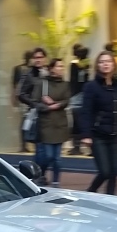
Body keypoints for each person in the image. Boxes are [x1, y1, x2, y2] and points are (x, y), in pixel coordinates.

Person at [79, 50, 117, 194]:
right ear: (97, 65)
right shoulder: (91, 87)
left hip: (115, 136)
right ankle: (90, 192)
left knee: (114, 173)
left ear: (113, 65)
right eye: (102, 62)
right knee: (105, 172)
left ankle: (111, 200)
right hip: (99, 136)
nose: (105, 64)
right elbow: (86, 112)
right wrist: (86, 135)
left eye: (108, 61)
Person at [33, 58, 71, 187]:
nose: (61, 68)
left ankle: (56, 181)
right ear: (52, 68)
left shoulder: (65, 84)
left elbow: (67, 100)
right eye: (59, 66)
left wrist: (54, 104)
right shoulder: (42, 84)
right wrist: (47, 107)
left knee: (57, 158)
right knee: (48, 155)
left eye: (62, 66)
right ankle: (42, 174)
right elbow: (35, 102)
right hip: (46, 123)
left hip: (60, 123)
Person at [17, 47, 47, 151]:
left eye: (40, 57)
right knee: (39, 145)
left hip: (49, 112)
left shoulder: (49, 73)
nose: (38, 60)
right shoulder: (28, 75)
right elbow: (21, 94)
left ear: (44, 58)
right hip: (35, 112)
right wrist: (33, 103)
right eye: (35, 57)